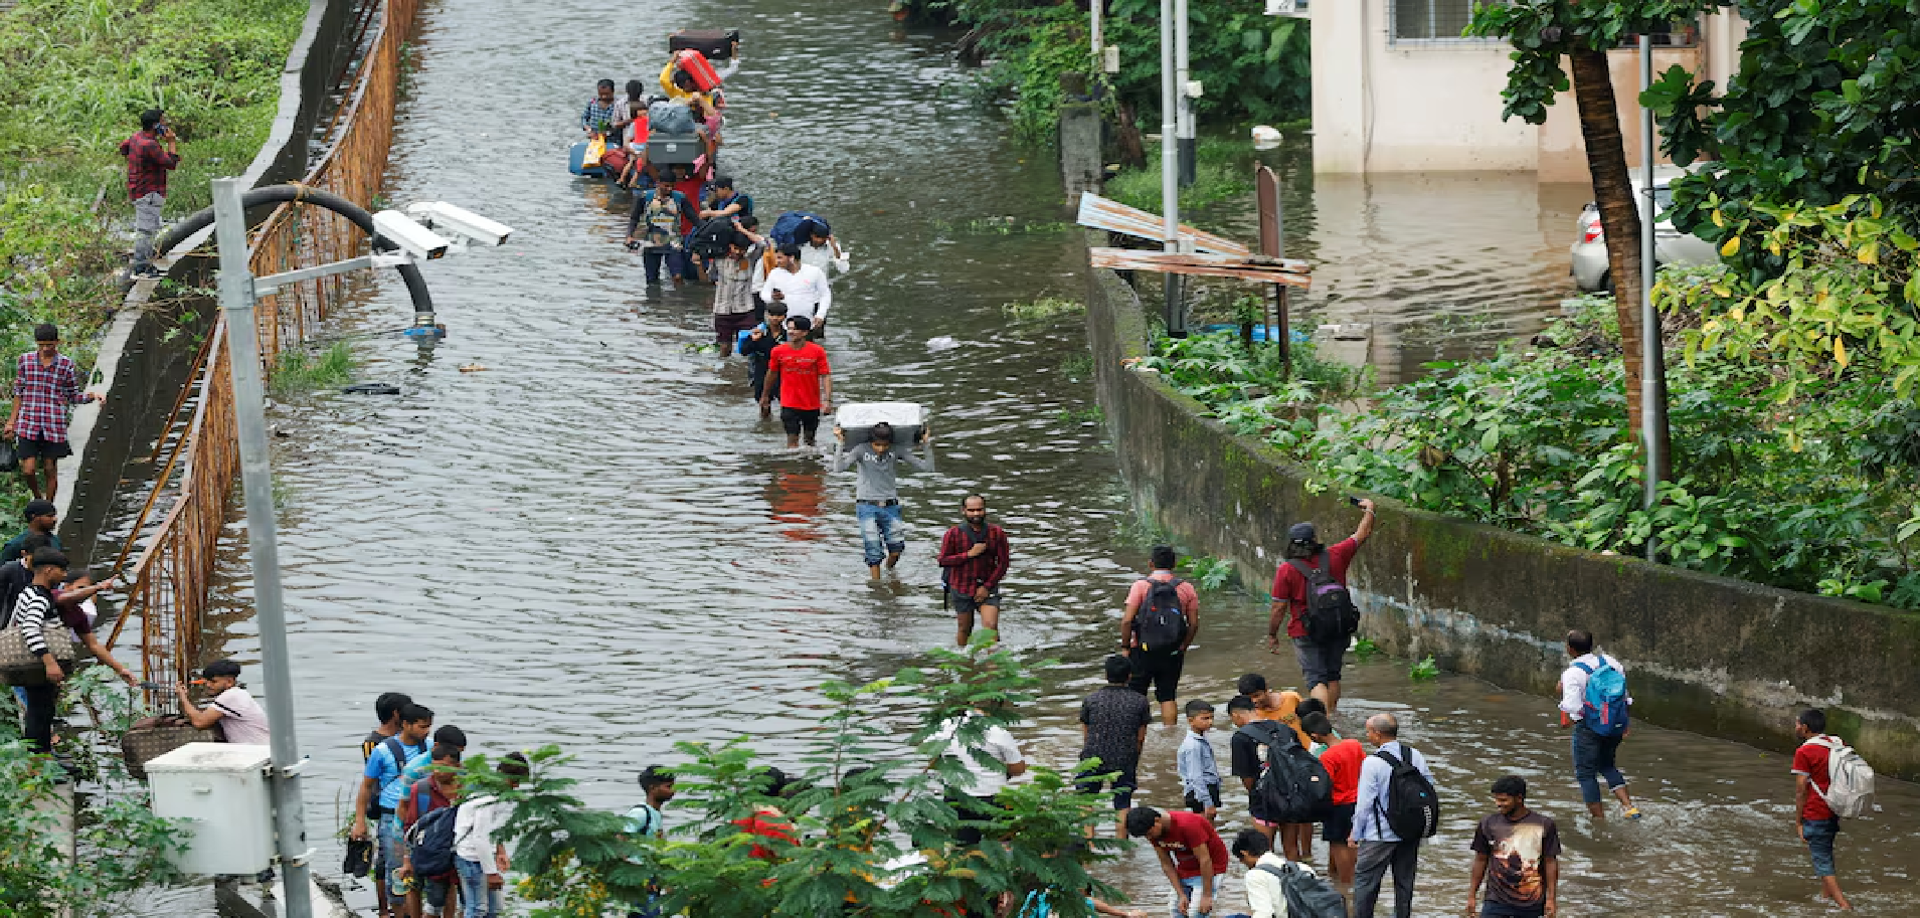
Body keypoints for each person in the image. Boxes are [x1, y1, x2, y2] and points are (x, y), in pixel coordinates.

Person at [1266, 499, 1375, 716]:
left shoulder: (1286, 570)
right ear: (1315, 540)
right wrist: (1370, 510)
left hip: (1305, 630)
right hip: (1338, 625)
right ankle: (1332, 718)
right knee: (1333, 675)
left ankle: (1322, 724)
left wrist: (1272, 634)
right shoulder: (1336, 555)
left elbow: (1279, 607)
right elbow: (1361, 534)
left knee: (1316, 679)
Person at [353, 703, 437, 911]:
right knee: (396, 870)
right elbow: (366, 787)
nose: (426, 731)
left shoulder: (431, 748)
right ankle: (396, 912)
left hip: (425, 817)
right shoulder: (382, 751)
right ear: (406, 724)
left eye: (428, 727)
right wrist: (359, 821)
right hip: (392, 817)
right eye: (421, 726)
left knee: (425, 871)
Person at [1350, 713, 1434, 918]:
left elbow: (1364, 804)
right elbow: (1429, 789)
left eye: (1368, 731)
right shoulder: (1414, 755)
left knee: (1365, 884)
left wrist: (1355, 833)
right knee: (1405, 884)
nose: (1367, 735)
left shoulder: (1372, 762)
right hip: (1410, 832)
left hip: (1379, 836)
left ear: (1378, 735)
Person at [7, 324, 101, 503]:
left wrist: (92, 396)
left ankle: (48, 507)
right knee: (28, 469)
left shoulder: (65, 365)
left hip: (53, 424)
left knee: (50, 467)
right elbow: (18, 392)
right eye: (41, 345)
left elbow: (72, 395)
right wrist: (12, 422)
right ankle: (38, 499)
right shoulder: (25, 361)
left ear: (57, 343)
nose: (45, 349)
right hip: (28, 423)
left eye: (49, 345)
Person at [1556, 629, 1640, 820]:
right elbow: (1624, 696)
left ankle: (1598, 820)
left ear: (1570, 649)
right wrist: (1625, 723)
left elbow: (1572, 707)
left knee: (1586, 774)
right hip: (1615, 725)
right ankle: (1629, 807)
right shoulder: (1611, 662)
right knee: (1607, 765)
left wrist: (1568, 717)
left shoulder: (1573, 673)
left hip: (1589, 728)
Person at [832, 422, 933, 578]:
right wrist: (840, 443)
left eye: (884, 445)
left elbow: (927, 468)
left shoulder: (896, 450)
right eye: (877, 445)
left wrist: (926, 443)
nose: (880, 449)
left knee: (896, 550)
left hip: (890, 505)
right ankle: (876, 586)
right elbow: (839, 469)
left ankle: (890, 574)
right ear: (870, 441)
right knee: (873, 550)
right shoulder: (860, 450)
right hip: (866, 505)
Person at [1118, 546, 1200, 727]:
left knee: (1136, 695)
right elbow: (1193, 624)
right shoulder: (1186, 588)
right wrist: (1183, 647)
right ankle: (1170, 735)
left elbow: (1127, 621)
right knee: (1167, 695)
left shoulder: (1140, 586)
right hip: (1172, 651)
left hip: (1142, 649)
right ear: (1174, 564)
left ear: (1151, 564)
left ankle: (1136, 733)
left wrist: (1125, 647)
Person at [1076, 654, 1154, 838]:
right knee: (1122, 802)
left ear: (1106, 675)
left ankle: (1089, 843)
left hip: (1093, 755)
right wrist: (1134, 757)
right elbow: (1140, 737)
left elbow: (1086, 732)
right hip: (1124, 757)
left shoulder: (1091, 700)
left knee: (1086, 800)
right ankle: (1122, 845)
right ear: (1129, 676)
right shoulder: (1140, 701)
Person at [10, 547, 76, 758]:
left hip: (32, 665)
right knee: (40, 712)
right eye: (61, 571)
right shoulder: (39, 597)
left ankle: (45, 755)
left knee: (41, 711)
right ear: (48, 570)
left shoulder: (28, 592)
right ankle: (38, 760)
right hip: (37, 665)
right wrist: (50, 662)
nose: (64, 576)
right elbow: (30, 627)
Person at [1466, 775, 1560, 918]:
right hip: (1495, 901)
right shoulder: (1488, 823)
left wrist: (1551, 899)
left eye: (1504, 800)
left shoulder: (1543, 825)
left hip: (1531, 902)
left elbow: (1550, 861)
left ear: (1519, 798)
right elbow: (1480, 859)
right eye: (1496, 799)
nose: (1498, 804)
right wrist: (1472, 895)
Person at [932, 704, 1027, 845]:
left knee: (962, 848)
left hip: (956, 798)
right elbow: (1018, 769)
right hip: (993, 800)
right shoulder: (996, 730)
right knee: (1000, 847)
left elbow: (932, 758)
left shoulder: (946, 726)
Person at [1791, 708, 1855, 912]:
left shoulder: (1804, 751)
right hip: (1834, 808)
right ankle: (1824, 897)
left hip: (1815, 811)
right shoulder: (1837, 743)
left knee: (1821, 860)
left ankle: (1844, 906)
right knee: (1826, 850)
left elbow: (1801, 790)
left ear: (1805, 727)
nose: (1796, 727)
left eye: (1797, 723)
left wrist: (1798, 821)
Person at [454, 752, 529, 918]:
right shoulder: (487, 798)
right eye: (514, 781)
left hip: (484, 857)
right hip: (471, 857)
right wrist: (492, 873)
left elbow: (493, 830)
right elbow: (480, 837)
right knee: (477, 908)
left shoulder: (498, 794)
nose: (516, 787)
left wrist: (500, 851)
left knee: (494, 909)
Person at [398, 743, 463, 918]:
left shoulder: (467, 789)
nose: (437, 772)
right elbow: (410, 826)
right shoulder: (420, 789)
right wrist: (407, 860)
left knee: (468, 901)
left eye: (443, 767)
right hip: (428, 853)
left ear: (458, 766)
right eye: (434, 767)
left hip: (460, 852)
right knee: (430, 899)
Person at [937, 494, 1011, 647]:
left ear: (985, 510)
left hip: (987, 586)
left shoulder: (997, 533)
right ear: (963, 511)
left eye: (979, 509)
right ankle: (965, 663)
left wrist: (987, 586)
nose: (976, 514)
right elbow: (943, 560)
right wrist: (969, 554)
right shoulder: (953, 534)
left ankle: (993, 665)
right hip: (961, 587)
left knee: (991, 627)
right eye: (971, 510)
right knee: (965, 628)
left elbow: (1003, 563)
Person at [1126, 806, 1227, 918]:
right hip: (1185, 867)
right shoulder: (1153, 833)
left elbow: (1205, 859)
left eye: (1149, 833)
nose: (1149, 837)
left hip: (1212, 866)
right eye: (1145, 836)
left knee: (1197, 912)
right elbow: (1166, 864)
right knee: (1176, 910)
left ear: (1157, 821)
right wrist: (1181, 894)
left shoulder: (1187, 825)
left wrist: (1207, 895)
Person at [1302, 711, 1362, 888]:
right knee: (1352, 842)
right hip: (1358, 802)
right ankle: (1346, 879)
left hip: (1338, 805)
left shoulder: (1327, 757)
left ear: (1314, 735)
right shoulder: (1354, 745)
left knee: (1339, 844)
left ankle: (1346, 885)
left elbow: (1324, 786)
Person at [119, 108, 180, 279]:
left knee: (149, 228)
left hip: (138, 188)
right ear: (156, 126)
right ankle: (141, 268)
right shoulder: (150, 145)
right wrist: (172, 142)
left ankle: (145, 265)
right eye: (163, 122)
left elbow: (123, 148)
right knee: (145, 231)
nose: (166, 125)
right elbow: (171, 163)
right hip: (149, 191)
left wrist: (138, 164)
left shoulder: (136, 137)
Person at [760, 316, 831, 449]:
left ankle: (809, 466)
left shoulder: (817, 351)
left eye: (795, 329)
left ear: (805, 332)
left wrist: (827, 400)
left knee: (810, 440)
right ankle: (791, 467)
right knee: (792, 440)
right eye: (790, 328)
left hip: (812, 403)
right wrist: (765, 396)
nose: (791, 332)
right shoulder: (778, 351)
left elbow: (825, 375)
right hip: (789, 402)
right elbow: (772, 374)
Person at [174, 658, 271, 745]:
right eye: (207, 681)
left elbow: (199, 723)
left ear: (229, 682)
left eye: (213, 681)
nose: (208, 685)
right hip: (260, 749)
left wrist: (182, 696)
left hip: (257, 752)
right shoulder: (238, 694)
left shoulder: (231, 696)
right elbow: (206, 718)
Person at [625, 180, 695, 285]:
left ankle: (679, 299)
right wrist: (629, 236)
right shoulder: (645, 196)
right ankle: (654, 300)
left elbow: (693, 218)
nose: (669, 189)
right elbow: (634, 218)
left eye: (672, 186)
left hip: (673, 242)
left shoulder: (680, 198)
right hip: (651, 241)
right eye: (666, 186)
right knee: (652, 280)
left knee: (678, 276)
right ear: (658, 184)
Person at [758, 244, 833, 333]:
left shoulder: (814, 272)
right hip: (781, 323)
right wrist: (772, 297)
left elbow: (825, 295)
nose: (777, 261)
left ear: (791, 258)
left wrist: (820, 315)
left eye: (780, 258)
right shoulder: (775, 273)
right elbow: (764, 294)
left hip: (807, 322)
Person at [710, 233, 760, 357]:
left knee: (746, 346)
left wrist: (740, 229)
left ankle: (744, 372)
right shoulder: (719, 259)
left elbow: (764, 244)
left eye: (742, 249)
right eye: (735, 248)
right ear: (730, 246)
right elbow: (709, 276)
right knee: (724, 346)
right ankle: (725, 371)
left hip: (745, 309)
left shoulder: (750, 259)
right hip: (722, 309)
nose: (738, 252)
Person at [1177, 700, 1220, 824]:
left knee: (1207, 828)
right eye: (1205, 718)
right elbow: (1195, 776)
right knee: (1205, 828)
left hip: (1204, 789)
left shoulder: (1200, 739)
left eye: (1211, 718)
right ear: (1191, 720)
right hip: (1200, 792)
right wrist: (1208, 803)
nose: (1210, 722)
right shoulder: (1193, 745)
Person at [1231, 828, 1290, 918]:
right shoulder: (1300, 867)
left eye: (1241, 859)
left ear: (1244, 853)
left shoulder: (1255, 875)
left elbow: (1264, 914)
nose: (1242, 863)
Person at [740, 301, 788, 406]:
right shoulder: (758, 333)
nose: (775, 318)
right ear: (767, 315)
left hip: (782, 373)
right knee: (763, 403)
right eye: (772, 315)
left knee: (785, 402)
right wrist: (754, 340)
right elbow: (744, 351)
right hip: (761, 371)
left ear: (785, 316)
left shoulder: (788, 335)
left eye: (779, 315)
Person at [626, 766, 677, 838]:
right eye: (669, 787)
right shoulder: (640, 813)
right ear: (652, 788)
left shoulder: (655, 813)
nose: (674, 790)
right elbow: (621, 839)